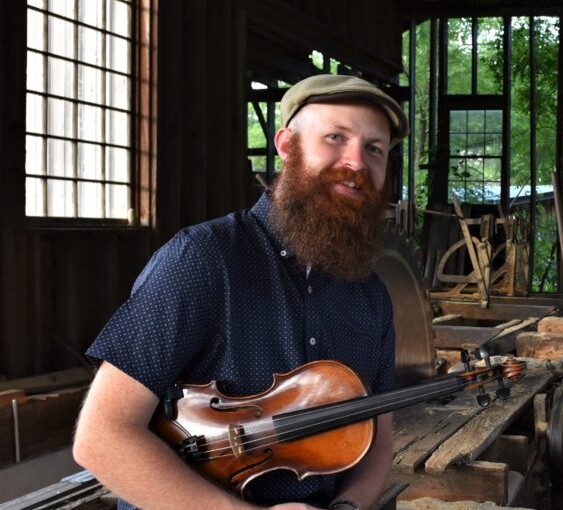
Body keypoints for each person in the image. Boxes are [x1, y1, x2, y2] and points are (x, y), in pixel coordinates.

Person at [73, 74, 410, 510]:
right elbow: (102, 438)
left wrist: (347, 507)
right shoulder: (201, 259)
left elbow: (378, 439)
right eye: (335, 137)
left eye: (374, 149)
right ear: (287, 145)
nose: (357, 162)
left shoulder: (370, 296)